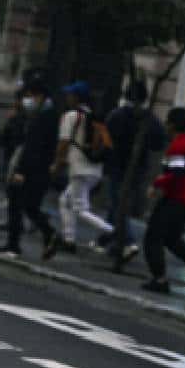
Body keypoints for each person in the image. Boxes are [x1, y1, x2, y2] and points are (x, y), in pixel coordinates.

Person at [140, 107, 185, 294]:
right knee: (170, 238)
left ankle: (159, 279)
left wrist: (157, 183)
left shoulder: (177, 146)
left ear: (171, 124)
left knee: (152, 238)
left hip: (175, 200)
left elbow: (175, 174)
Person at [46, 81, 114, 259]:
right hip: (95, 168)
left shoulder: (71, 116)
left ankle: (113, 232)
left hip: (79, 168)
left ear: (76, 98)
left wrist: (56, 163)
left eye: (70, 95)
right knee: (65, 200)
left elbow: (64, 143)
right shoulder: (93, 116)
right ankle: (69, 239)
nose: (67, 97)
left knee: (79, 208)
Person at [102, 81, 165, 260]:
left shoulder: (118, 115)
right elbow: (159, 142)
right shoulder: (149, 118)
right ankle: (107, 239)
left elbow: (107, 140)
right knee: (119, 203)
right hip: (138, 167)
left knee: (117, 204)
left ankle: (128, 242)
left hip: (118, 166)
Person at [0, 79, 59, 257]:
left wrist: (20, 171)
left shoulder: (43, 117)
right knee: (29, 206)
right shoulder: (42, 113)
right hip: (37, 168)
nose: (27, 100)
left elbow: (34, 146)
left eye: (29, 96)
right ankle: (48, 234)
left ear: (38, 96)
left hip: (31, 169)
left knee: (18, 204)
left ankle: (13, 244)